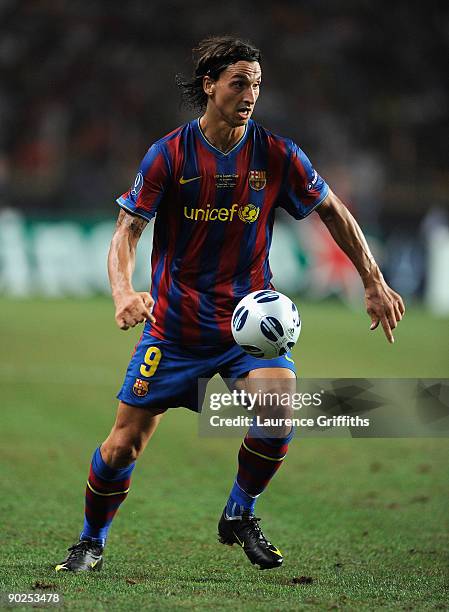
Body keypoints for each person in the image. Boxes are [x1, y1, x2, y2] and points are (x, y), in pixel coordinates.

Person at [55, 36, 405, 573]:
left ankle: (240, 513)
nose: (250, 94)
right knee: (123, 446)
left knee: (279, 412)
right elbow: (128, 228)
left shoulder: (278, 155)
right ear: (210, 86)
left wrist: (373, 279)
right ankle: (90, 542)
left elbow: (331, 209)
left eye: (257, 84)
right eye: (239, 82)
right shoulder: (169, 154)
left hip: (247, 329)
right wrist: (124, 291)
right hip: (173, 328)